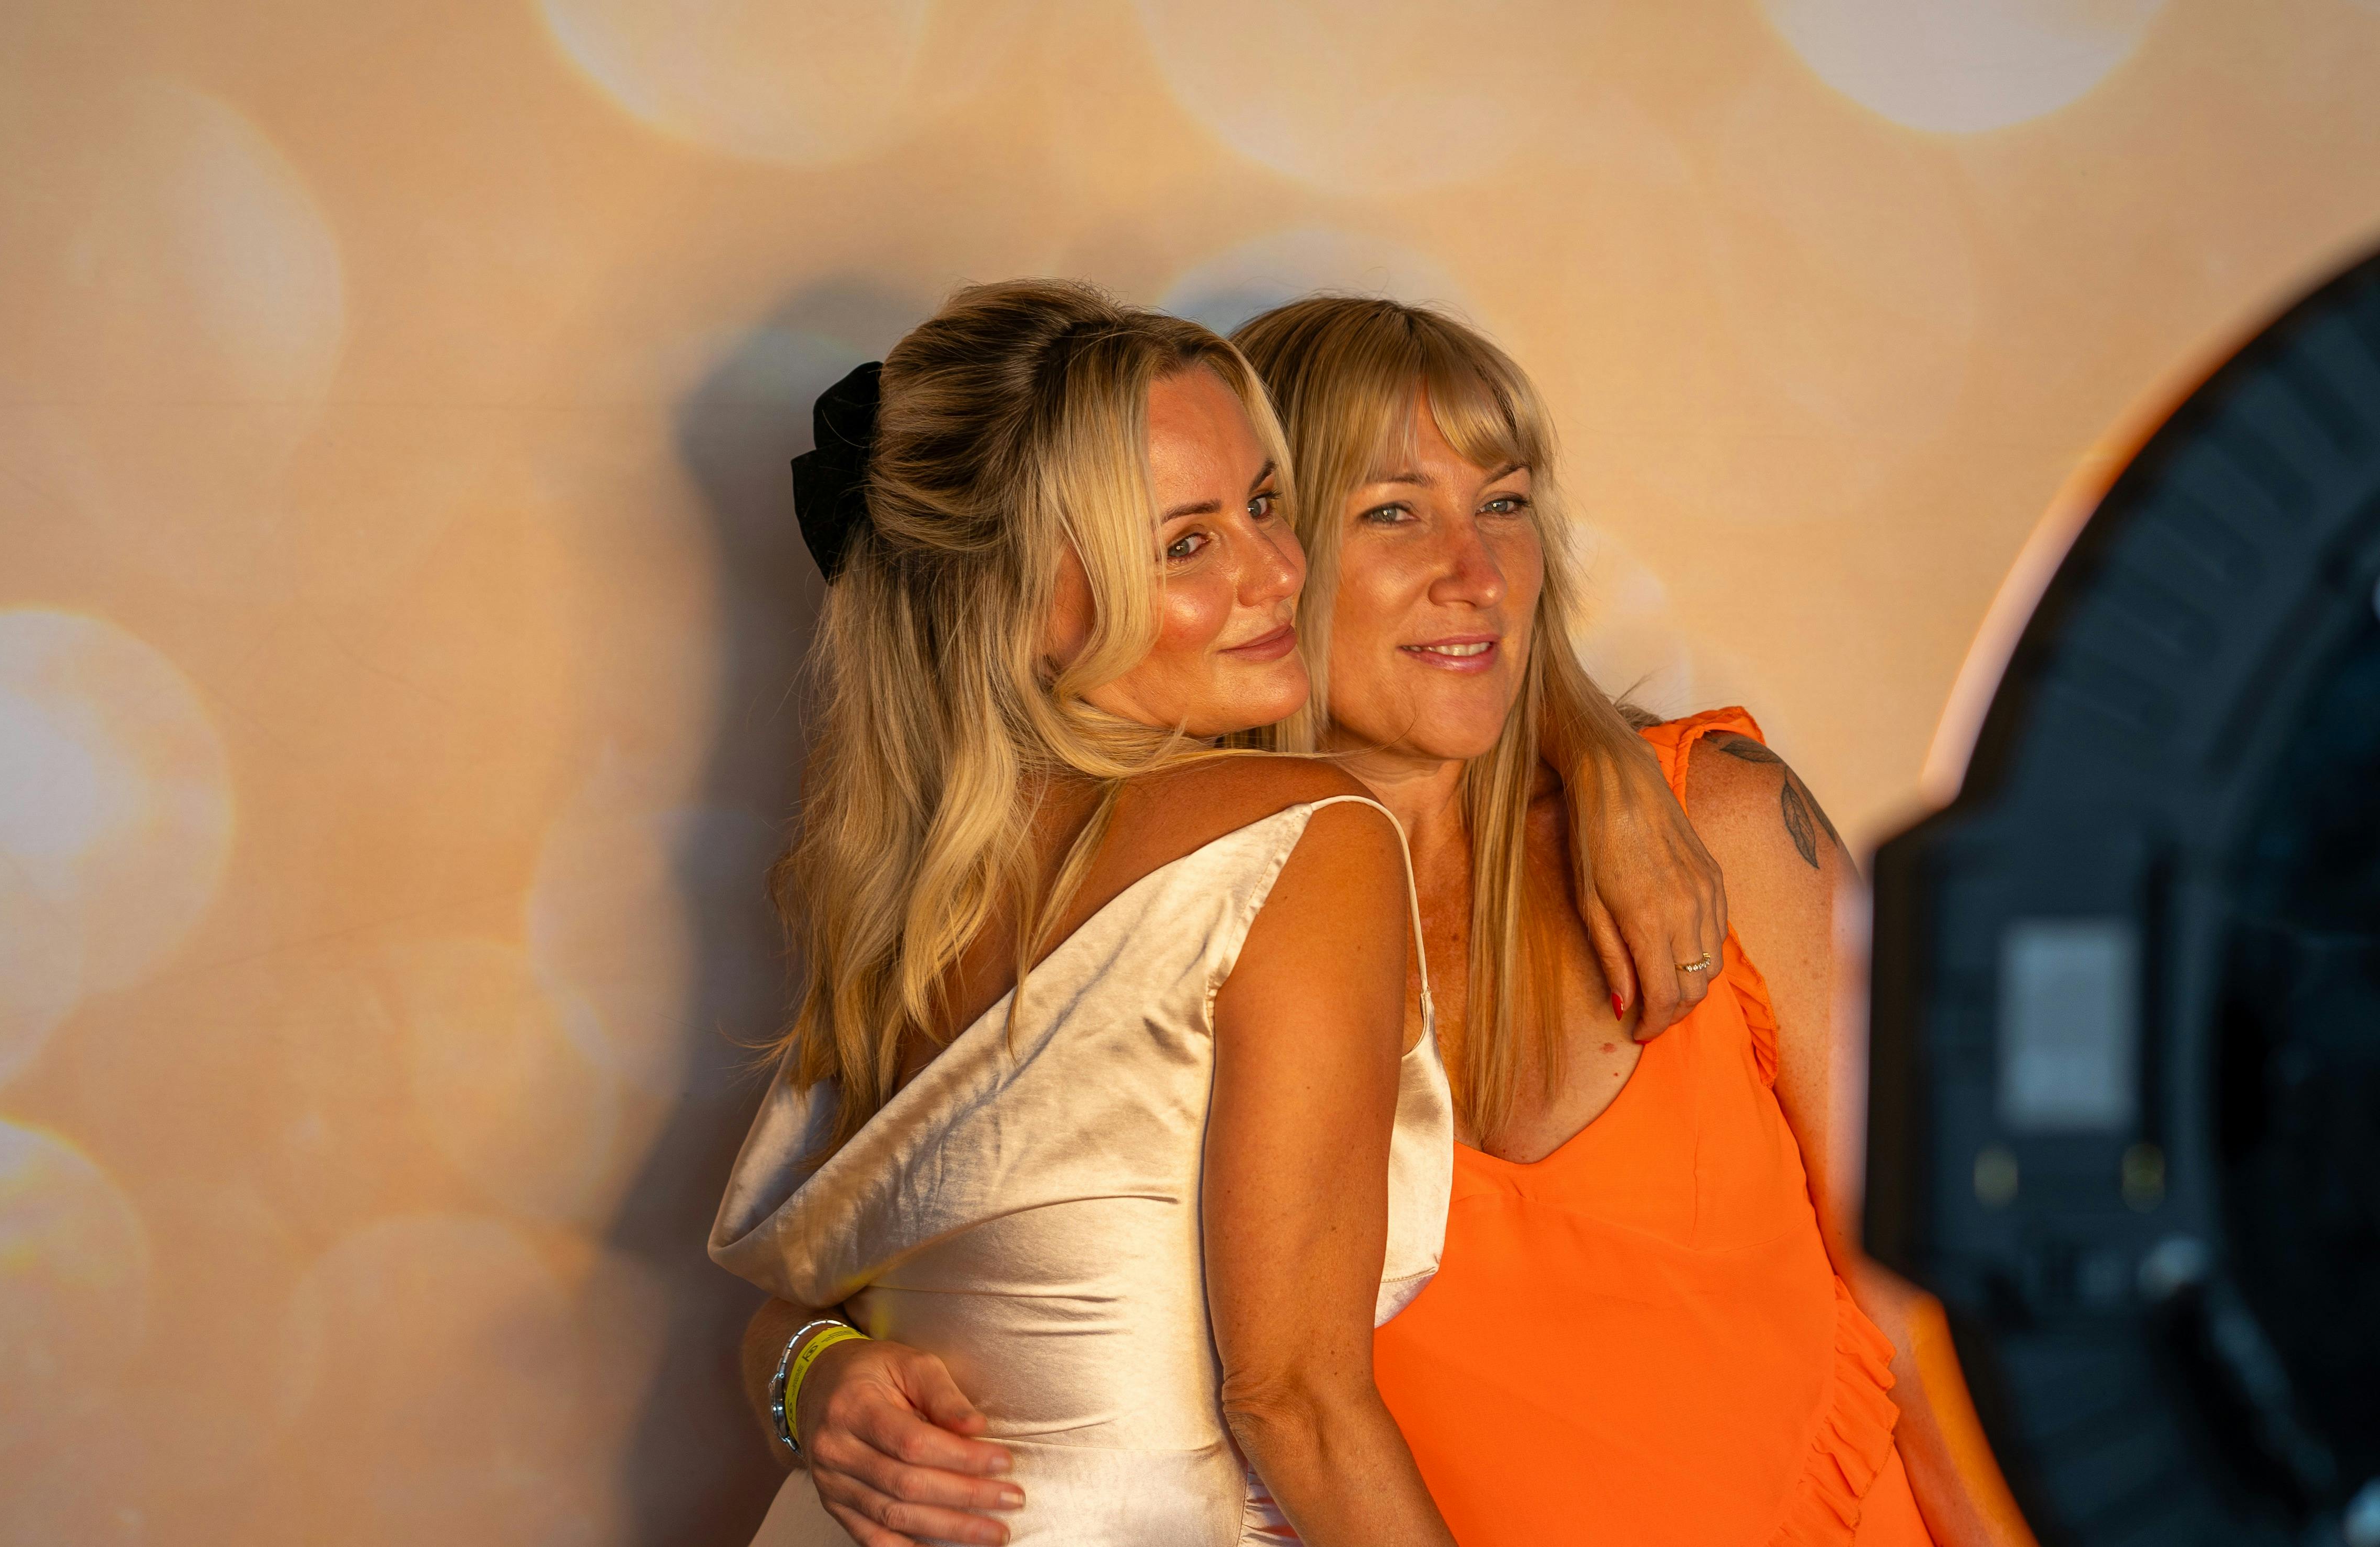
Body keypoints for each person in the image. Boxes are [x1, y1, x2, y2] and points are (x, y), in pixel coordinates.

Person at [756, 296, 2018, 1546]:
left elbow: (1936, 1306)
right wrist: (811, 1370)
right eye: (1392, 512)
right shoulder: (1138, 902)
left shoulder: (1714, 824)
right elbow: (916, 1261)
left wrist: (1600, 753)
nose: (1475, 574)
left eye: (1505, 504)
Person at [708, 280, 1461, 1546]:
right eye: (1184, 545)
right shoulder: (1304, 837)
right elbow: (1296, 1405)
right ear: (1012, 597)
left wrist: (808, 1374)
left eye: (1262, 504)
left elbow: (802, 1309)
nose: (1281, 571)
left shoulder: (907, 897)